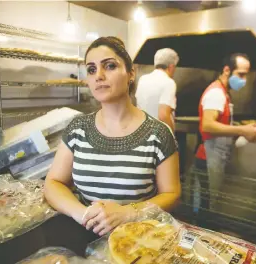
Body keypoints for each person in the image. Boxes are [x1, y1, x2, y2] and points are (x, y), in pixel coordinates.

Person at [44, 37, 181, 237]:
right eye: (91, 69)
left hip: (139, 241)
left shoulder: (158, 134)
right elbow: (53, 183)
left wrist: (129, 213)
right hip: (85, 239)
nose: (98, 75)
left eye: (109, 66)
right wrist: (84, 215)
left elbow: (172, 194)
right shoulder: (77, 129)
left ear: (131, 73)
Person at [194, 53, 256, 211]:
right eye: (241, 74)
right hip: (208, 158)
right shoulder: (216, 93)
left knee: (210, 203)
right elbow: (207, 125)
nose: (244, 80)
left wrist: (246, 128)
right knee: (206, 206)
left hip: (215, 157)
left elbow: (220, 122)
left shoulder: (223, 92)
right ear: (227, 70)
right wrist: (241, 130)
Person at [135, 48, 179, 131]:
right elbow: (163, 115)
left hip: (142, 132)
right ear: (171, 67)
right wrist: (171, 137)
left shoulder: (143, 79)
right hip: (158, 136)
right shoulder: (168, 82)